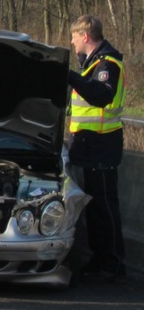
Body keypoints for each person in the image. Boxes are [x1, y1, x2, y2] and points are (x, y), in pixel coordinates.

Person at [67, 15, 127, 283]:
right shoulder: (90, 65)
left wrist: (70, 76)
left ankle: (113, 263)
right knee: (94, 208)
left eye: (74, 36)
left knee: (104, 207)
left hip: (103, 145)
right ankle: (99, 258)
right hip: (90, 146)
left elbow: (101, 95)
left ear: (85, 36)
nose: (71, 41)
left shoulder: (107, 64)